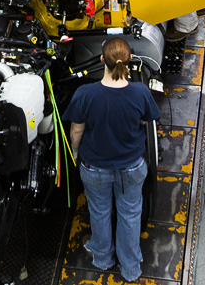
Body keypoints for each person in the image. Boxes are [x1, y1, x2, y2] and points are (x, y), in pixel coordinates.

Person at [63, 37, 160, 283]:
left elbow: (76, 131)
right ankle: (130, 268)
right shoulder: (140, 92)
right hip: (132, 167)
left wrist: (76, 152)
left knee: (99, 211)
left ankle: (103, 258)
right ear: (130, 60)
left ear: (101, 60)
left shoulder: (85, 93)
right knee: (130, 213)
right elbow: (144, 120)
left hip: (94, 168)